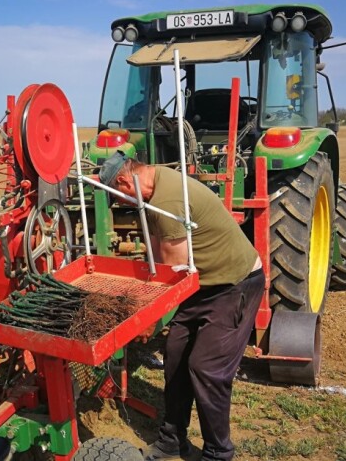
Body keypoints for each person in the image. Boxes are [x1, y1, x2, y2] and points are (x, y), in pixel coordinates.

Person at [98, 151, 264, 461]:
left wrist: (150, 319)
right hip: (202, 285)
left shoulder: (168, 200)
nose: (121, 203)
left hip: (234, 284)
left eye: (119, 197)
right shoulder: (151, 187)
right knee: (175, 358)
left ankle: (218, 452)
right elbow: (157, 255)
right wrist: (143, 301)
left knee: (206, 368)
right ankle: (172, 440)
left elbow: (175, 273)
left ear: (124, 181)